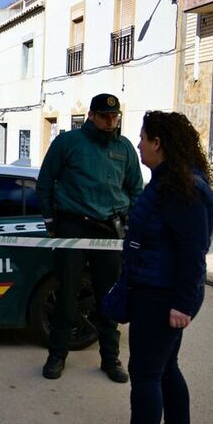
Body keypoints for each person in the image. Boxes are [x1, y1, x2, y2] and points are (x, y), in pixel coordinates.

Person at [90, 111, 213, 424]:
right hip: (153, 290)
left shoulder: (184, 190)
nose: (139, 145)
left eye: (143, 138)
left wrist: (181, 304)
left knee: (145, 374)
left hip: (161, 298)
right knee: (165, 369)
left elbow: (193, 253)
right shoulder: (168, 183)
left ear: (159, 143)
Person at [36, 93, 143, 382]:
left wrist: (132, 224)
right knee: (67, 295)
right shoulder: (68, 143)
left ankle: (110, 359)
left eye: (115, 117)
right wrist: (50, 222)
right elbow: (45, 182)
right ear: (92, 116)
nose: (111, 122)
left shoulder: (124, 148)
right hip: (74, 227)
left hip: (109, 230)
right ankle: (56, 356)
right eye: (106, 117)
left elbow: (136, 190)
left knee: (109, 297)